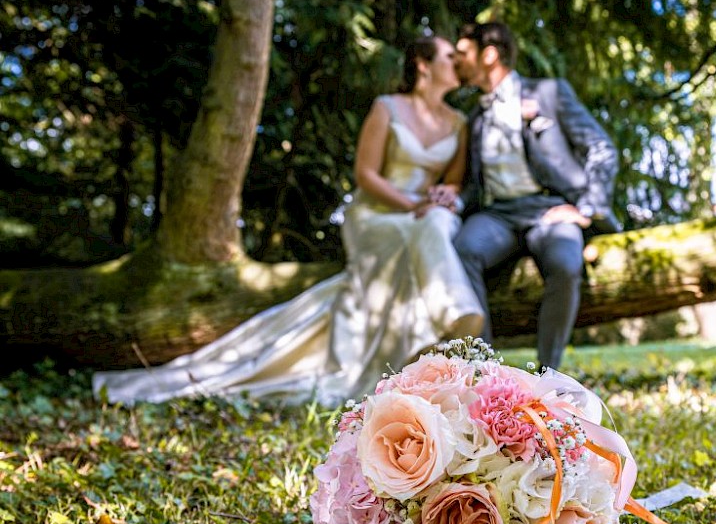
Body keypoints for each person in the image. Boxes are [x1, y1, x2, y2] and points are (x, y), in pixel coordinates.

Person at [92, 35, 483, 405]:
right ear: (423, 64)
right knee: (413, 231)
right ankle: (450, 322)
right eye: (450, 56)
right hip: (378, 213)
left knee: (434, 225)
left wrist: (446, 194)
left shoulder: (458, 123)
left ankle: (451, 316)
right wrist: (408, 205)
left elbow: (453, 180)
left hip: (425, 213)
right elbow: (367, 175)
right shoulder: (388, 107)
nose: (458, 63)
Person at [452, 21, 620, 371]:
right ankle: (484, 370)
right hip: (498, 215)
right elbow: (474, 183)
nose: (456, 62)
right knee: (462, 249)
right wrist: (451, 199)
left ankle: (549, 373)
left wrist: (587, 208)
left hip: (549, 208)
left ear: (489, 54)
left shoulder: (548, 93)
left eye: (462, 54)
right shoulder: (474, 118)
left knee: (565, 264)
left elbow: (601, 148)